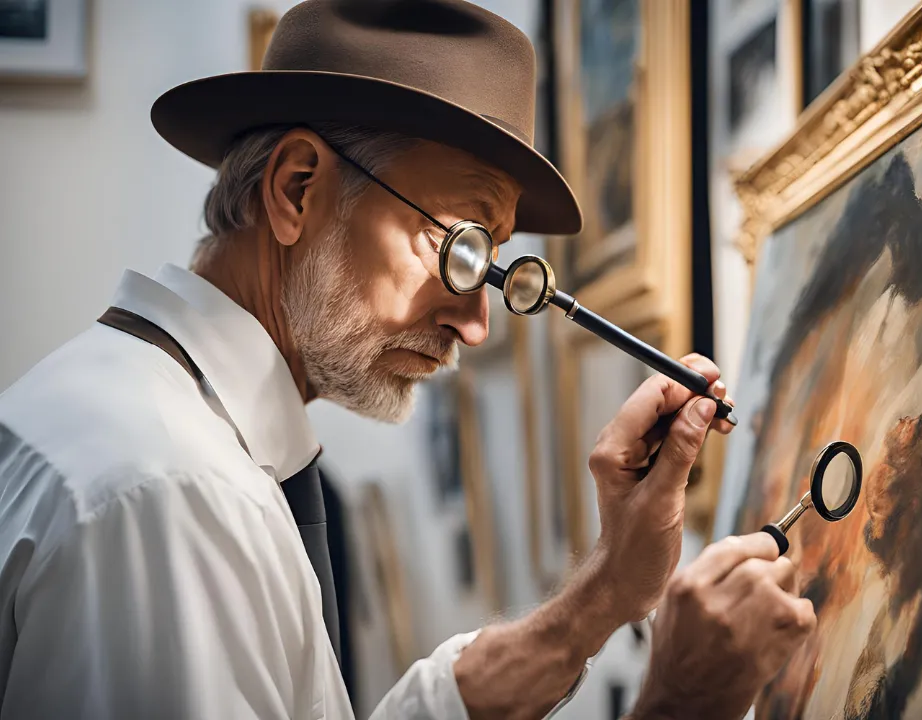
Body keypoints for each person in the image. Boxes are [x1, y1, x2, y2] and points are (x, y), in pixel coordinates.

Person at [0, 1, 815, 718]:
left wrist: (603, 594)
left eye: (496, 263)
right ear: (295, 190)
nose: (476, 325)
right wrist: (679, 708)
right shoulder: (173, 494)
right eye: (462, 247)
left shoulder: (144, 415)